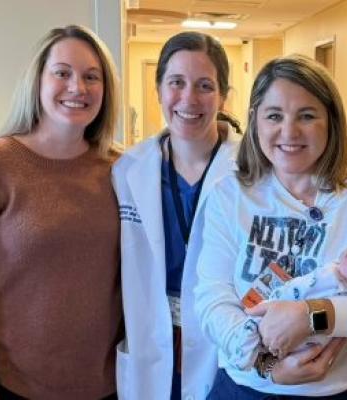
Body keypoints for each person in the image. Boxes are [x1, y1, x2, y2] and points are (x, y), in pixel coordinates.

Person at [195, 54, 347, 400]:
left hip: (344, 392)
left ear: (332, 121)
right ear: (255, 122)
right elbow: (212, 297)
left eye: (307, 116)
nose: (289, 132)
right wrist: (267, 366)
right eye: (274, 116)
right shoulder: (231, 194)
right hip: (245, 388)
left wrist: (313, 317)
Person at [0, 25, 121, 399]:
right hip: (11, 387)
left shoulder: (124, 169)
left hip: (108, 387)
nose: (78, 87)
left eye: (92, 77)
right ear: (37, 81)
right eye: (62, 73)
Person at [112, 32, 241, 400]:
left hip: (222, 342)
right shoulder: (127, 170)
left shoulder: (252, 171)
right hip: (152, 342)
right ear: (158, 89)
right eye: (176, 83)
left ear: (223, 96)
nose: (189, 99)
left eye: (205, 86)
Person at [229, 241, 347, 371]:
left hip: (306, 354)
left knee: (257, 334)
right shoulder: (337, 269)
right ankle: (251, 355)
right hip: (266, 319)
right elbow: (214, 295)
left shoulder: (343, 290)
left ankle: (249, 354)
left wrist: (312, 317)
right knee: (253, 328)